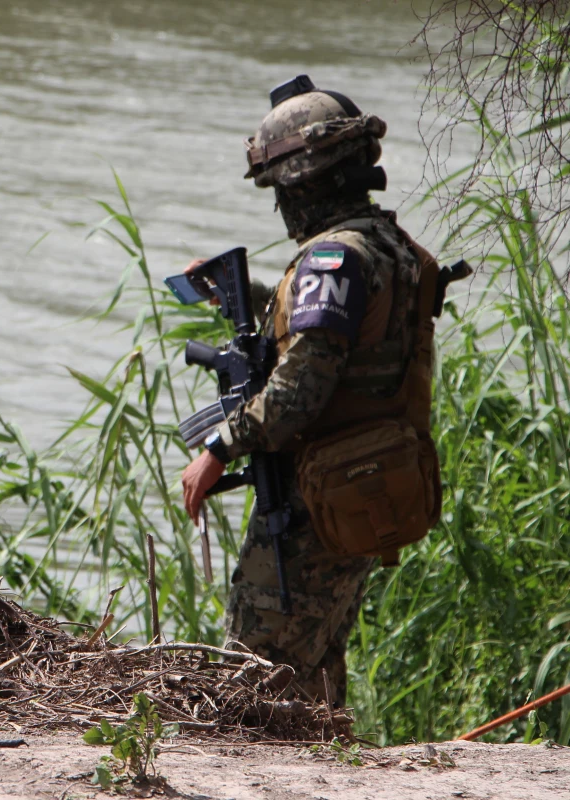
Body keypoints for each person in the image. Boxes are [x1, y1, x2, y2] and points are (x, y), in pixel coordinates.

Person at [179, 75, 441, 706]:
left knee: (256, 665)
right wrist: (245, 297)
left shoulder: (334, 258)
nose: (281, 206)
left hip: (321, 493)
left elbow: (301, 387)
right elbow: (341, 331)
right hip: (363, 479)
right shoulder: (388, 246)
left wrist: (218, 447)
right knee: (316, 666)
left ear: (304, 182)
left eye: (280, 190)